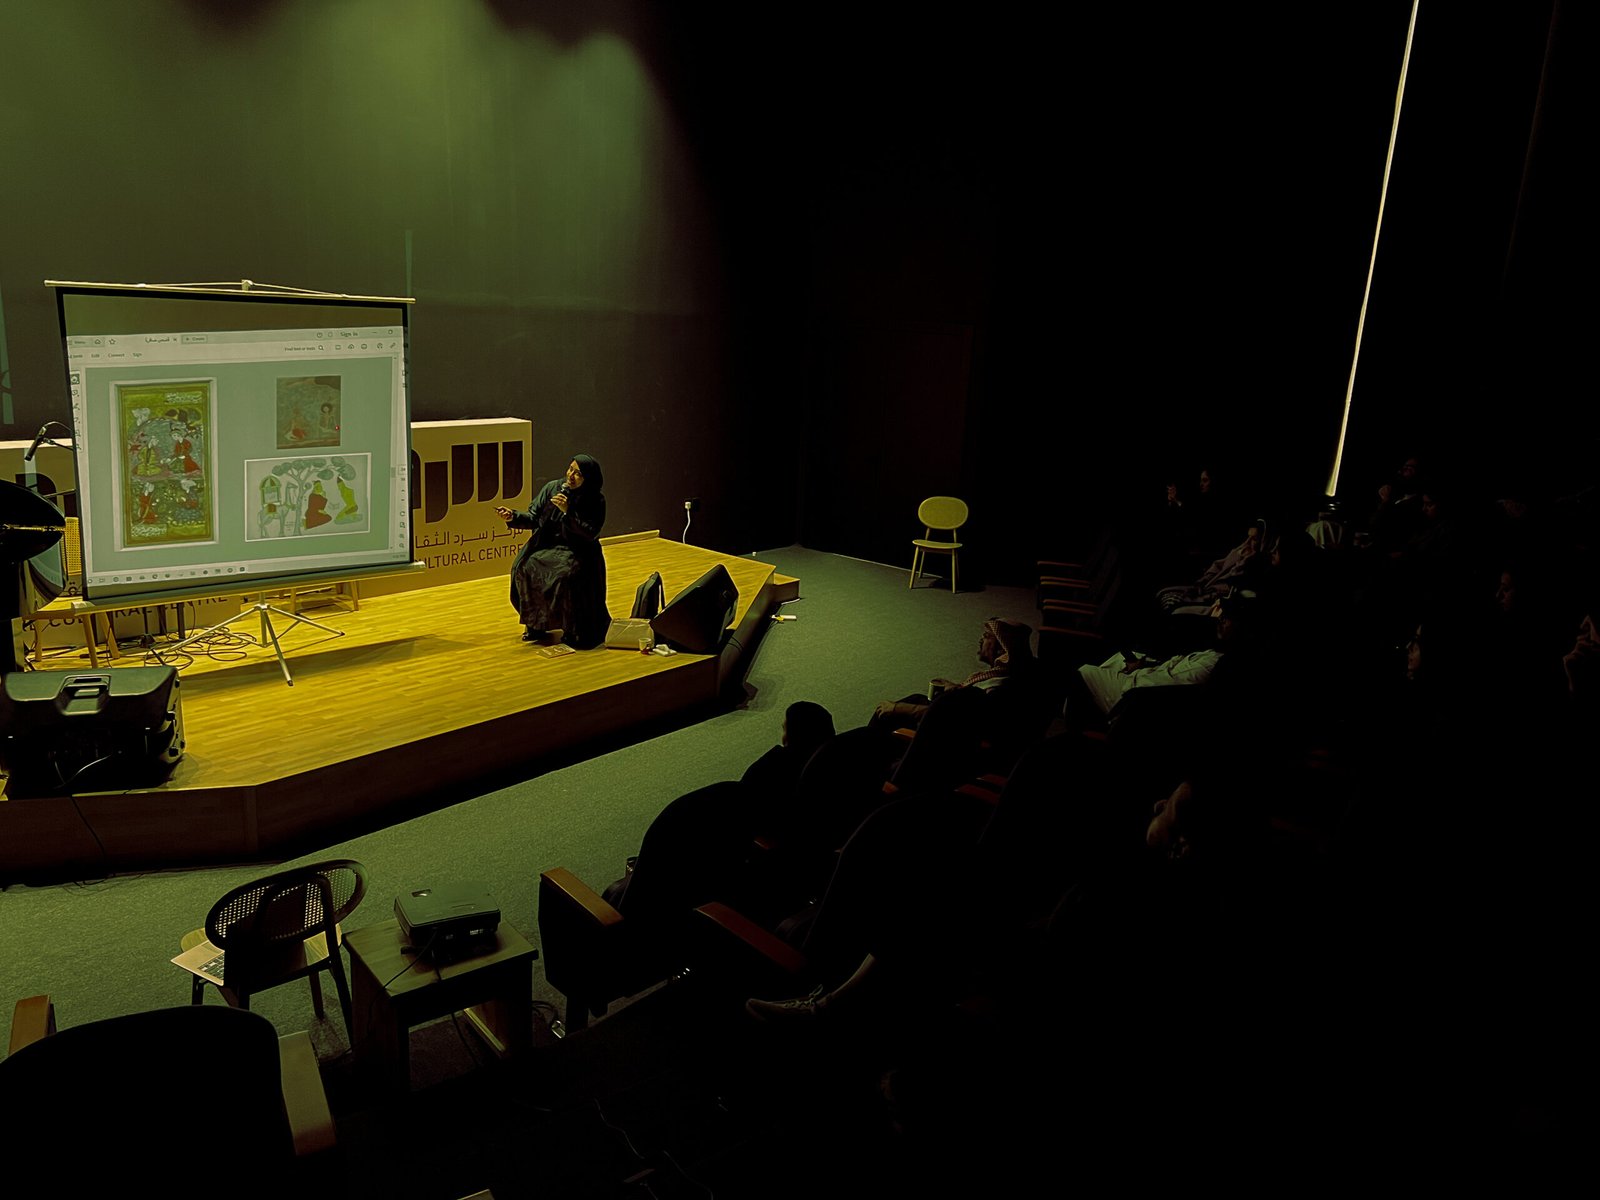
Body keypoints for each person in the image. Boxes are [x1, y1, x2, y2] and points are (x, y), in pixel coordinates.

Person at [495, 453, 611, 648]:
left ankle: (572, 629)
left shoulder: (595, 499)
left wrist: (568, 512)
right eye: (570, 469)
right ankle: (537, 624)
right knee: (524, 567)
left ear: (588, 478)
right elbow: (533, 517)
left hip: (578, 549)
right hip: (548, 545)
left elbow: (590, 532)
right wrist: (513, 516)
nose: (571, 475)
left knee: (564, 575)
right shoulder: (552, 488)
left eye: (578, 473)